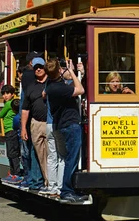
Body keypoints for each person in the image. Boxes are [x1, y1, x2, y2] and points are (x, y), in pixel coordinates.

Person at [45, 58, 88, 204]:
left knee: (67, 158)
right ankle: (67, 191)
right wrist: (71, 72)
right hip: (69, 125)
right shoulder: (58, 88)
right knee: (71, 159)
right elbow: (80, 89)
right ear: (58, 70)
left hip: (62, 125)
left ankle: (69, 189)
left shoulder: (51, 85)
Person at [15, 52, 44, 191]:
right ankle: (34, 179)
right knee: (32, 150)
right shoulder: (29, 77)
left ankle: (33, 178)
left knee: (34, 150)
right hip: (34, 122)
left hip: (36, 122)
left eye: (41, 67)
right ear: (31, 63)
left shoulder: (28, 77)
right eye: (36, 66)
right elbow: (25, 107)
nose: (38, 69)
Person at [0, 84, 22, 184]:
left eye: (7, 93)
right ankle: (13, 173)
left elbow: (1, 114)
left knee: (12, 153)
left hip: (10, 130)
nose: (5, 96)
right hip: (13, 130)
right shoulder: (14, 103)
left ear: (13, 94)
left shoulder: (9, 104)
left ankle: (15, 173)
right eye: (3, 94)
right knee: (13, 152)